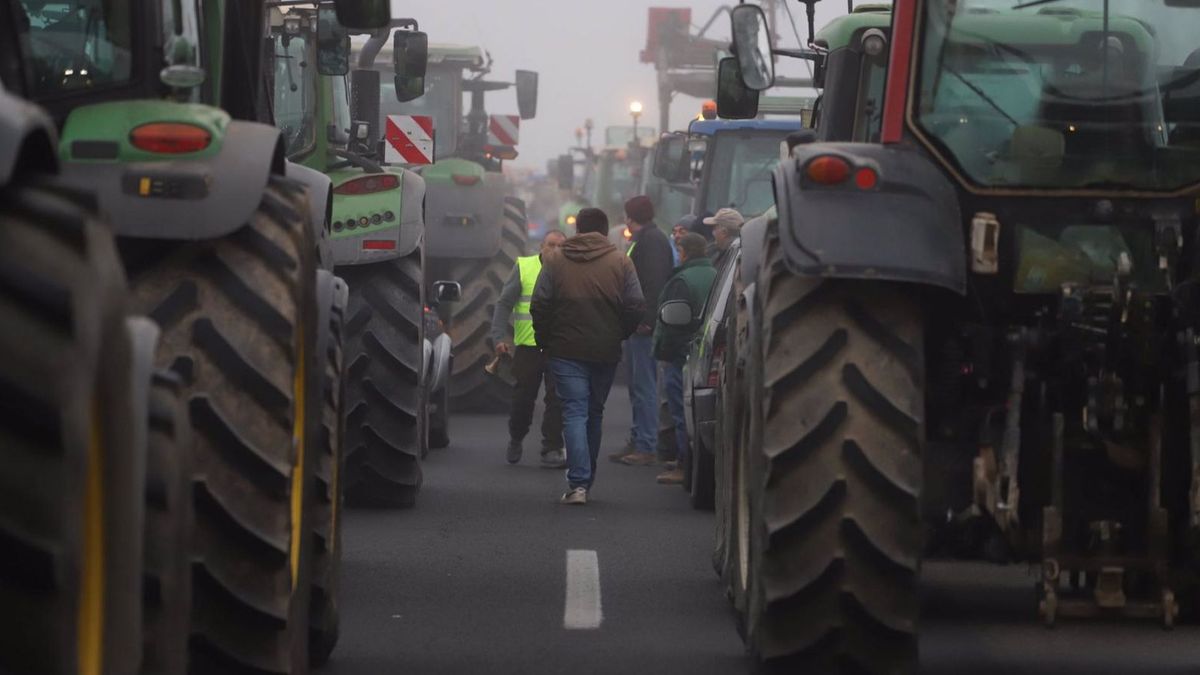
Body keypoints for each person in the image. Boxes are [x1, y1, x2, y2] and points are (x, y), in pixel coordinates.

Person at [531, 208, 644, 505]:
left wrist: (545, 340)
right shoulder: (621, 260)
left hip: (564, 349)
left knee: (574, 412)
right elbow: (636, 304)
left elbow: (540, 303)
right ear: (605, 231)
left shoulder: (555, 260)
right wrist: (620, 332)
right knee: (594, 412)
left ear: (577, 229)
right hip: (605, 349)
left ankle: (578, 484)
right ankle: (586, 479)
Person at [491, 230, 568, 467]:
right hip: (528, 347)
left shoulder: (570, 272)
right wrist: (498, 336)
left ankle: (551, 447)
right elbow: (505, 303)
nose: (554, 250)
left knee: (557, 399)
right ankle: (516, 437)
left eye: (560, 247)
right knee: (523, 398)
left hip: (559, 347)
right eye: (550, 245)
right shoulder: (524, 267)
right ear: (541, 246)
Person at [612, 195, 674, 467]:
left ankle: (646, 445)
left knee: (645, 385)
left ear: (629, 216)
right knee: (637, 385)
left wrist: (646, 319)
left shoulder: (651, 242)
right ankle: (638, 440)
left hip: (644, 326)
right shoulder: (649, 239)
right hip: (638, 323)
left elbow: (653, 283)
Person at [652, 233, 718, 485]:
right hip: (704, 352)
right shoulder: (715, 275)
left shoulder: (682, 279)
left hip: (680, 354)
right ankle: (688, 461)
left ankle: (683, 465)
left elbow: (670, 321)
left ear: (684, 252)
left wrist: (664, 351)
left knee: (680, 411)